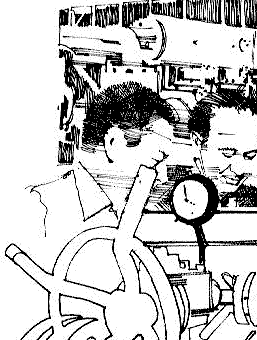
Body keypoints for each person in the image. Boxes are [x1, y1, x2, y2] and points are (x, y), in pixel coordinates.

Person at [32, 82, 176, 244]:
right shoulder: (40, 209)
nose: (162, 179)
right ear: (114, 143)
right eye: (155, 163)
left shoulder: (123, 217)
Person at [186, 89, 257, 208]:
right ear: (197, 141)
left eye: (249, 156)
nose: (239, 170)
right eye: (227, 154)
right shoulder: (174, 201)